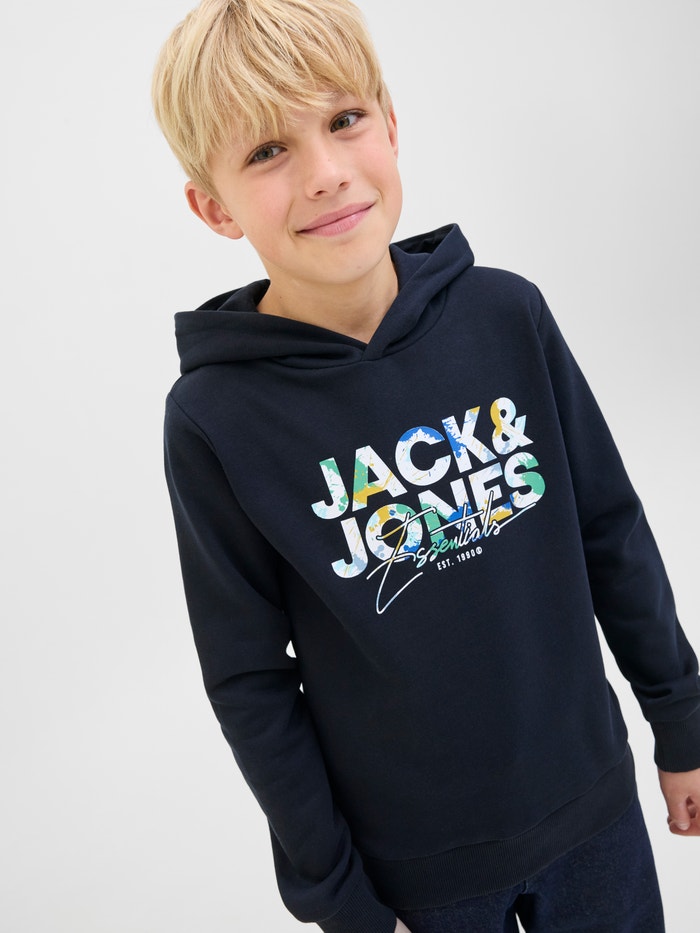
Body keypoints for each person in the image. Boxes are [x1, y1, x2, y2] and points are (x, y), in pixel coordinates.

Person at [152, 1, 700, 930]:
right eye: (268, 151)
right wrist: (341, 899)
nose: (325, 173)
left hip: (593, 812)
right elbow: (249, 680)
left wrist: (680, 716)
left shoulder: (507, 316)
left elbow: (608, 525)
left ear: (392, 126)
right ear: (214, 206)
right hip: (415, 877)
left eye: (344, 119)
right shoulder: (214, 419)